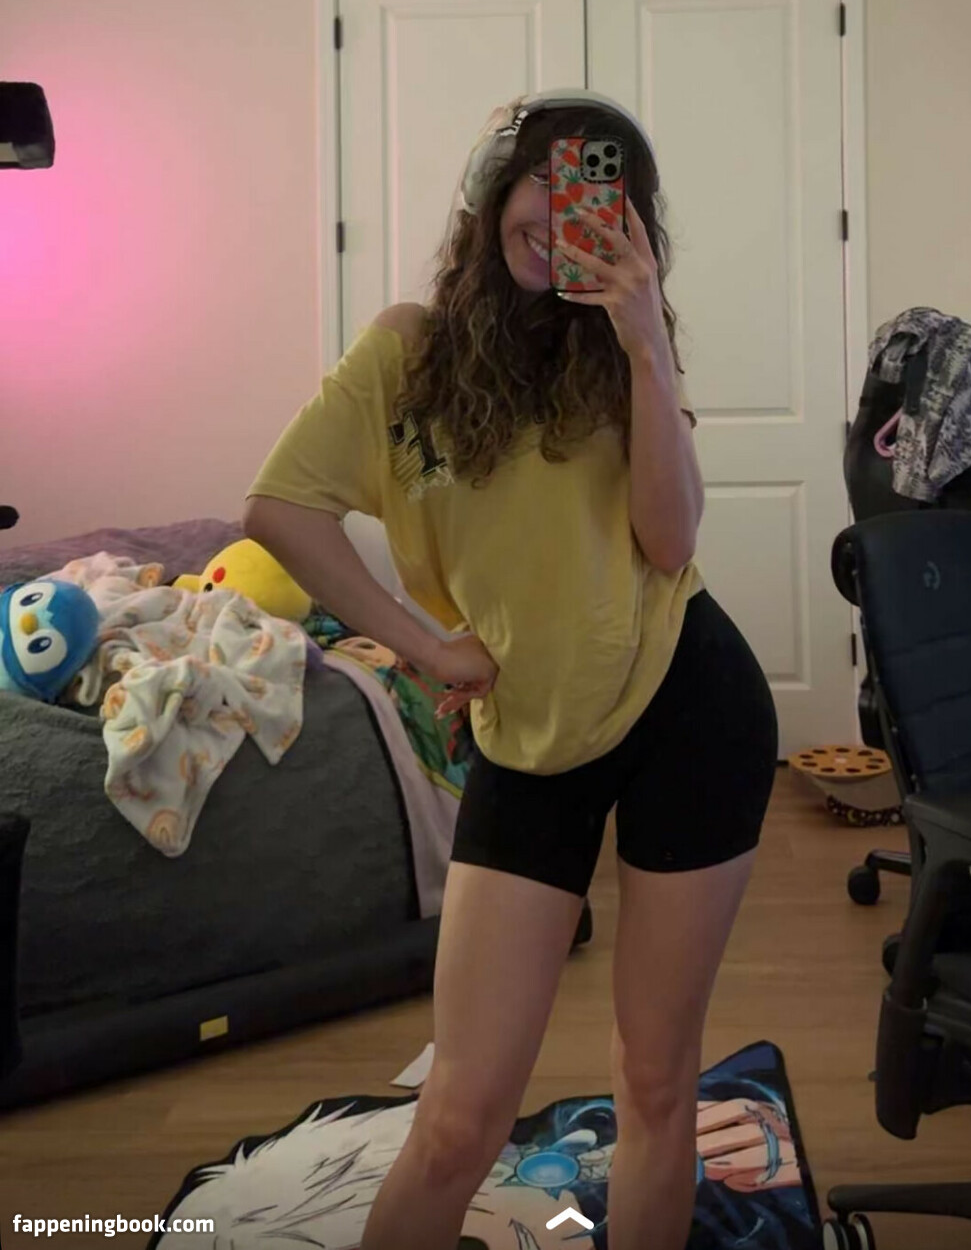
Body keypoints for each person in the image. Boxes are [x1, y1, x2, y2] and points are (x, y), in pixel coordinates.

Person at [243, 91, 779, 1250]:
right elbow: (282, 510)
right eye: (543, 176)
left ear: (627, 223)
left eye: (594, 190)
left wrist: (645, 344)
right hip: (528, 734)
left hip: (689, 703)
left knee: (656, 1080)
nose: (557, 210)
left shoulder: (621, 352)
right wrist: (426, 643)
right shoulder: (410, 353)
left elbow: (671, 542)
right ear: (499, 191)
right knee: (458, 1114)